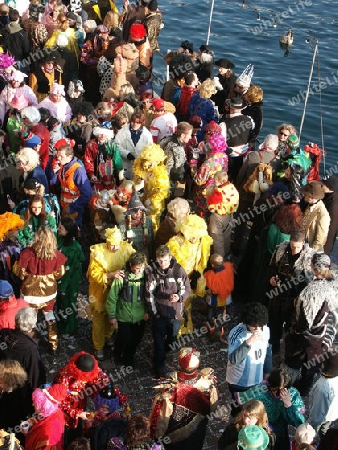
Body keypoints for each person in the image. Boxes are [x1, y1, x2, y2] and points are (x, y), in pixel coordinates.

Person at [149, 347, 217, 449]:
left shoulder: (171, 389)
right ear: (197, 365)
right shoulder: (207, 382)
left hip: (175, 436)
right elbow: (212, 408)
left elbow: (162, 418)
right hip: (197, 430)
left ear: (179, 363)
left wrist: (157, 438)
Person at [15, 227, 67, 352]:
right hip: (49, 293)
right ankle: (53, 344)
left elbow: (19, 272)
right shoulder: (56, 255)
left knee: (31, 319)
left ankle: (33, 343)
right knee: (50, 316)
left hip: (30, 293)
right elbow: (60, 273)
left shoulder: (27, 253)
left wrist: (30, 277)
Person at [87, 227, 135, 360]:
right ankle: (98, 347)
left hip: (118, 291)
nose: (114, 248)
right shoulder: (98, 252)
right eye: (111, 244)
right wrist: (110, 275)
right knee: (99, 320)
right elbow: (94, 273)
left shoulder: (126, 249)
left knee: (114, 316)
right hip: (100, 292)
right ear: (106, 242)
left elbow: (136, 263)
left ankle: (108, 336)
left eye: (117, 245)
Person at [145, 245, 190, 378]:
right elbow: (149, 295)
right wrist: (154, 313)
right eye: (160, 261)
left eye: (165, 260)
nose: (162, 264)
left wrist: (179, 297)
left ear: (170, 258)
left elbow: (186, 288)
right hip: (159, 314)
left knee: (172, 340)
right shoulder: (152, 273)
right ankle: (159, 365)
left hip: (175, 313)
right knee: (158, 341)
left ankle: (166, 353)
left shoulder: (179, 271)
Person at [293, 253, 334, 395]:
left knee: (308, 363)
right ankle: (307, 382)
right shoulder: (334, 283)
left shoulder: (312, 291)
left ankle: (303, 388)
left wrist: (298, 329)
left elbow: (305, 319)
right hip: (328, 331)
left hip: (314, 336)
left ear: (314, 266)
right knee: (315, 362)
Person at [268, 230, 314, 355]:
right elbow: (272, 266)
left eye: (297, 247)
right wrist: (272, 277)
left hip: (294, 298)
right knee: (274, 321)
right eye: (292, 246)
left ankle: (288, 352)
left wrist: (299, 299)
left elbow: (309, 285)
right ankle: (274, 347)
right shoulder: (281, 250)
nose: (294, 250)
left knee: (291, 326)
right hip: (278, 293)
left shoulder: (308, 259)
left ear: (303, 244)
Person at [238, 368, 305, 450]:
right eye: (275, 389)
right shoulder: (260, 391)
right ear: (270, 385)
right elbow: (246, 406)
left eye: (281, 390)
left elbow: (299, 422)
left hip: (281, 435)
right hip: (261, 432)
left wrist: (288, 405)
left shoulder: (293, 395)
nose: (278, 394)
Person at [167, 215, 213, 335]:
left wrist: (198, 273)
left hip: (191, 278)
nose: (194, 239)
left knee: (186, 304)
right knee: (175, 304)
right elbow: (168, 264)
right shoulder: (175, 243)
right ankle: (174, 331)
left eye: (196, 236)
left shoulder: (201, 241)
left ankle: (185, 328)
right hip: (176, 279)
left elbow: (202, 259)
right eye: (191, 236)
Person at [226, 302, 272, 417]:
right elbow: (233, 359)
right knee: (237, 413)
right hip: (239, 383)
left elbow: (267, 351)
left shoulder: (265, 329)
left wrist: (267, 372)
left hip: (257, 381)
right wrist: (249, 342)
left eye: (259, 326)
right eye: (254, 326)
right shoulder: (236, 334)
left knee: (253, 412)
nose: (257, 329)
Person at [106, 252, 149, 367]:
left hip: (140, 317)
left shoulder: (147, 277)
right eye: (137, 268)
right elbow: (112, 297)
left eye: (142, 268)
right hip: (123, 316)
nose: (139, 271)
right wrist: (112, 316)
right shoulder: (122, 278)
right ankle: (117, 353)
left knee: (136, 339)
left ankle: (128, 358)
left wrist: (147, 311)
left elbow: (150, 296)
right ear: (131, 265)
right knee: (124, 337)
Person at [53, 352, 110, 430]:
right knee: (68, 424)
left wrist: (112, 393)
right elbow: (59, 403)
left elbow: (102, 378)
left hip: (80, 398)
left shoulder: (91, 368)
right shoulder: (63, 378)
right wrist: (78, 413)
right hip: (69, 402)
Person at [0, 307, 46, 390]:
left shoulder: (4, 333)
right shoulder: (31, 349)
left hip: (4, 381)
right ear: (32, 326)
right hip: (20, 387)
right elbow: (35, 376)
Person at [51, 138, 92, 227]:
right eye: (58, 156)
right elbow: (53, 182)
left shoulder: (78, 171)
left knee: (74, 232)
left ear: (69, 157)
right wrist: (54, 173)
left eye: (61, 156)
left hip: (74, 209)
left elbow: (87, 194)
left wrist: (72, 208)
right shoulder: (62, 166)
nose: (58, 158)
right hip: (64, 207)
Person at [56, 216, 84, 338]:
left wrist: (62, 287)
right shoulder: (62, 239)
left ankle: (69, 329)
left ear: (68, 231)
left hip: (68, 282)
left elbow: (69, 271)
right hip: (61, 279)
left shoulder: (72, 249)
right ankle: (62, 324)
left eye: (60, 228)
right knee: (61, 304)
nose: (58, 229)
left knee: (68, 305)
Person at [132, 143, 170, 232]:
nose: (147, 166)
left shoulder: (161, 174)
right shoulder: (147, 170)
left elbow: (163, 192)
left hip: (155, 204)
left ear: (156, 161)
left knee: (152, 223)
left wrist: (151, 201)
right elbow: (138, 179)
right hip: (145, 199)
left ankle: (153, 240)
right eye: (146, 162)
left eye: (150, 163)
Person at [25, 384, 68, 450]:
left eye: (36, 403)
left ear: (44, 405)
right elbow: (40, 420)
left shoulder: (47, 433)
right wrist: (30, 423)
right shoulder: (56, 412)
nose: (32, 404)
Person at [206, 170, 239, 256]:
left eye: (215, 181)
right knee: (226, 235)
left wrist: (210, 204)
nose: (214, 182)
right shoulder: (231, 187)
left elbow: (212, 201)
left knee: (217, 239)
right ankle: (227, 251)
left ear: (221, 182)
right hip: (229, 214)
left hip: (219, 215)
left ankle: (219, 260)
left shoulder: (219, 192)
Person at [204, 253, 234, 341]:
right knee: (219, 316)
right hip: (223, 300)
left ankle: (214, 331)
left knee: (211, 315)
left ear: (212, 265)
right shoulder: (228, 269)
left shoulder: (210, 275)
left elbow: (211, 290)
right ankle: (217, 330)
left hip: (214, 300)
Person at [114, 111, 153, 180]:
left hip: (139, 168)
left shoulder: (147, 135)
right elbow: (116, 145)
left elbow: (150, 150)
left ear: (142, 123)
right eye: (133, 122)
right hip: (125, 165)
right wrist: (126, 154)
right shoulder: (123, 132)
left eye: (138, 123)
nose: (135, 124)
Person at [0, 360, 34, 437]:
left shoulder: (21, 395)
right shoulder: (11, 388)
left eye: (1, 381)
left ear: (9, 381)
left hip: (13, 431)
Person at [308, 352, 338, 441]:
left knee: (317, 434)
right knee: (325, 429)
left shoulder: (322, 387)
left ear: (324, 365)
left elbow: (317, 413)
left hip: (322, 417)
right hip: (333, 414)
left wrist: (309, 426)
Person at [119, 191, 154, 260]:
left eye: (140, 211)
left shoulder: (148, 221)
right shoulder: (123, 225)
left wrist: (151, 255)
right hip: (129, 254)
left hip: (144, 252)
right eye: (135, 212)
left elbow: (151, 240)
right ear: (130, 213)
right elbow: (121, 243)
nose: (138, 214)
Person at [300, 181, 330, 252]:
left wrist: (309, 254)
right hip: (302, 247)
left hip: (311, 251)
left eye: (305, 194)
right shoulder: (308, 205)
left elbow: (319, 241)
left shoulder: (323, 214)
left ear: (311, 197)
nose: (304, 195)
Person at [0, 212, 24, 298]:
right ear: (8, 230)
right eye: (16, 228)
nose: (18, 230)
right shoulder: (3, 249)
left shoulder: (16, 241)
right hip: (8, 282)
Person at [20, 106, 50, 171]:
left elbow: (29, 151)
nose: (22, 120)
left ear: (29, 119)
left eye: (24, 118)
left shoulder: (38, 133)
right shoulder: (40, 127)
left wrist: (24, 136)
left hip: (37, 163)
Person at [320, 175, 338, 255]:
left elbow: (331, 227)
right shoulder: (326, 195)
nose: (320, 185)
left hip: (326, 238)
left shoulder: (333, 206)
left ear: (329, 188)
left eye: (323, 184)